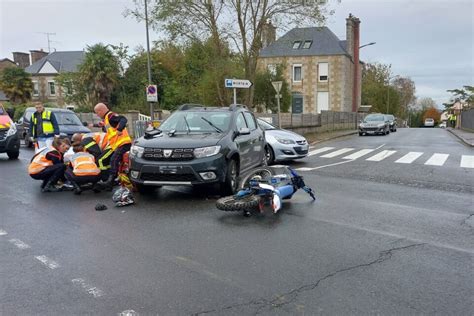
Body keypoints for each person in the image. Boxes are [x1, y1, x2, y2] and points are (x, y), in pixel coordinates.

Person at [94, 103, 131, 189]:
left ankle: (110, 181)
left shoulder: (110, 115)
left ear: (100, 110)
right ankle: (114, 179)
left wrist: (119, 129)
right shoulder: (107, 119)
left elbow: (123, 119)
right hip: (118, 145)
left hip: (123, 143)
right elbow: (107, 127)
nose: (97, 115)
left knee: (113, 160)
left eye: (97, 112)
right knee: (115, 161)